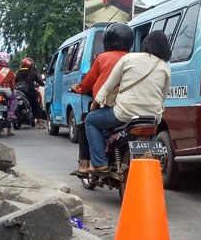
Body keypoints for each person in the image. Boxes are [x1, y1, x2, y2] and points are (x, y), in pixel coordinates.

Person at [85, 30, 172, 171]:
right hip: (151, 118)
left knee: (90, 120)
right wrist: (157, 117)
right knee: (151, 139)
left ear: (145, 44)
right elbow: (163, 97)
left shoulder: (129, 59)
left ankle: (100, 162)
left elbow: (108, 86)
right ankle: (151, 159)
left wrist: (95, 104)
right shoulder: (164, 67)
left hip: (124, 113)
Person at [70, 23, 133, 175]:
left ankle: (87, 165)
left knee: (87, 122)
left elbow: (87, 84)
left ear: (108, 41)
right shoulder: (134, 58)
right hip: (136, 107)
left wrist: (77, 88)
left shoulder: (102, 58)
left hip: (111, 107)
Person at [15, 58, 46, 129]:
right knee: (37, 106)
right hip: (29, 92)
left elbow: (14, 81)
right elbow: (40, 82)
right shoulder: (32, 73)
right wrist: (42, 84)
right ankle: (41, 124)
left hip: (18, 92)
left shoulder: (18, 73)